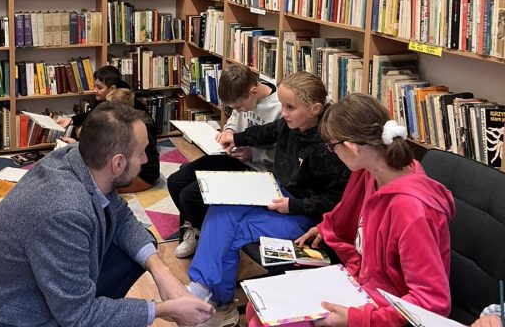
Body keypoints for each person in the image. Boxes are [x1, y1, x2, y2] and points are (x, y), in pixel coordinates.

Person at [0, 102, 214, 327]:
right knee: (89, 308)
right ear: (118, 163)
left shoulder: (77, 156)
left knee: (142, 245)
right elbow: (78, 316)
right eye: (141, 152)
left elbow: (121, 216)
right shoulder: (65, 212)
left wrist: (163, 274)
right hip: (5, 318)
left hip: (13, 294)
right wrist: (161, 309)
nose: (146, 160)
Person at [245, 93, 456, 327]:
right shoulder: (372, 170)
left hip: (384, 308)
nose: (332, 152)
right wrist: (323, 227)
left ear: (352, 147)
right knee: (257, 308)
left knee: (269, 320)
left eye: (332, 146)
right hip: (362, 284)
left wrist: (355, 319)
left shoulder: (411, 211)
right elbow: (349, 209)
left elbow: (431, 302)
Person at [187, 72, 350, 327]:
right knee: (221, 205)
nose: (283, 113)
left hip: (302, 215)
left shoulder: (328, 147)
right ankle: (200, 286)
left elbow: (337, 199)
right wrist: (235, 137)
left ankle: (220, 303)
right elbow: (268, 131)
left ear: (315, 109)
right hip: (276, 190)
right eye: (282, 105)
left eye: (290, 107)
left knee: (233, 233)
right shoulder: (291, 124)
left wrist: (293, 206)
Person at [168, 64, 281, 258]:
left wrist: (254, 154)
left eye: (238, 107)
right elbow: (234, 118)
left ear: (253, 93)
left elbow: (284, 154)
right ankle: (196, 228)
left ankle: (213, 239)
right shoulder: (244, 97)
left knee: (190, 195)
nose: (237, 111)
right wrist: (228, 130)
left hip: (259, 170)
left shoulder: (279, 107)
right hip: (235, 157)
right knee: (175, 181)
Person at [59, 64, 160, 192]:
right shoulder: (120, 109)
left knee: (89, 182)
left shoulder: (127, 128)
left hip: (142, 176)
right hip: (131, 168)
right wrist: (76, 143)